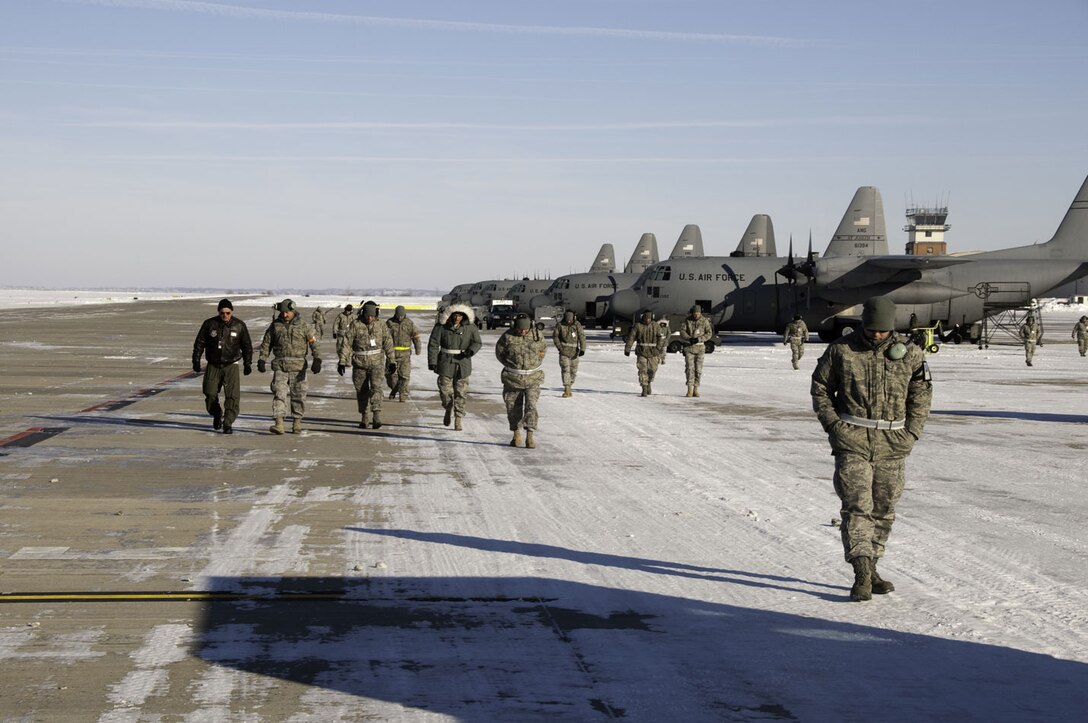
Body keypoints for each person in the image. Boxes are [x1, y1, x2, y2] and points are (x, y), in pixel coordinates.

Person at [811, 296, 933, 602]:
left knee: (884, 509)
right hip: (852, 439)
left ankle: (873, 565)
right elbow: (821, 388)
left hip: (893, 442)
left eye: (882, 330)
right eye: (871, 329)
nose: (876, 335)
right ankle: (861, 573)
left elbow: (921, 394)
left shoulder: (910, 354)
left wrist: (912, 432)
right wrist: (835, 427)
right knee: (856, 507)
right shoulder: (842, 349)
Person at [257, 299, 322, 435]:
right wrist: (262, 359)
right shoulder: (275, 326)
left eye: (287, 312)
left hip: (298, 367)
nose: (285, 315)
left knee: (298, 395)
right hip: (280, 365)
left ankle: (297, 422)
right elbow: (266, 343)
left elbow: (313, 342)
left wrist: (317, 358)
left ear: (293, 311)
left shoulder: (304, 325)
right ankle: (279, 423)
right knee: (279, 394)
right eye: (282, 312)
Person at [191, 298, 253, 434]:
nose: (225, 315)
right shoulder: (209, 324)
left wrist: (248, 363)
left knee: (232, 396)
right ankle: (217, 413)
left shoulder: (239, 325)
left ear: (232, 312)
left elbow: (247, 346)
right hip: (213, 364)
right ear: (218, 312)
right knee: (209, 392)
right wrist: (196, 360)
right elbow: (199, 343)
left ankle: (228, 423)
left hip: (231, 365)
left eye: (228, 313)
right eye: (222, 313)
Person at [338, 302, 395, 429]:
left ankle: (376, 415)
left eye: (372, 316)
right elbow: (346, 343)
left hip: (377, 363)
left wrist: (392, 360)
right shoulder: (355, 325)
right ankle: (364, 416)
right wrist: (342, 361)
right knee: (361, 391)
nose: (369, 318)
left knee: (376, 388)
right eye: (367, 315)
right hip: (359, 363)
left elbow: (388, 342)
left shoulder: (381, 325)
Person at [427, 303, 482, 431]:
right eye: (455, 315)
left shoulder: (471, 328)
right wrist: (432, 361)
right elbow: (433, 344)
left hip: (463, 363)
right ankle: (448, 408)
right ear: (451, 315)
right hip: (445, 362)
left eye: (460, 316)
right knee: (445, 392)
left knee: (461, 393)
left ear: (463, 316)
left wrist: (470, 351)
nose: (457, 318)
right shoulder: (441, 327)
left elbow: (477, 342)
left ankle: (458, 418)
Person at [496, 314, 547, 448]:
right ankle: (516, 434)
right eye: (520, 329)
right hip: (512, 378)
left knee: (531, 406)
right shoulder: (507, 337)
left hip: (533, 378)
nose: (523, 332)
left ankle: (530, 436)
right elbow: (500, 353)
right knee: (513, 408)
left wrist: (535, 362)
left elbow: (543, 350)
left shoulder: (537, 336)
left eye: (525, 329)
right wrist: (512, 365)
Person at [624, 309, 668, 397]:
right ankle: (644, 387)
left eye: (649, 318)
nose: (647, 320)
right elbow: (631, 337)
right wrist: (627, 348)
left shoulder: (656, 326)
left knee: (652, 370)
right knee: (642, 370)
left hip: (653, 352)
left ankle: (648, 382)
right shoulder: (638, 326)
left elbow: (661, 338)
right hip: (642, 352)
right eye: (646, 318)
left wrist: (658, 349)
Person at [385, 305, 422, 401]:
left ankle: (403, 394)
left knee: (404, 375)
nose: (400, 317)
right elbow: (383, 337)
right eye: (398, 315)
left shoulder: (409, 323)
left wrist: (418, 349)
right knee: (390, 376)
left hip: (405, 354)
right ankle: (394, 389)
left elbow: (416, 336)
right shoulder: (389, 323)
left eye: (401, 315)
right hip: (391, 354)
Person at [678, 304, 714, 396]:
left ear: (700, 313)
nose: (696, 315)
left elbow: (709, 333)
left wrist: (699, 339)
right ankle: (689, 389)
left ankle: (696, 389)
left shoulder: (705, 321)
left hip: (700, 348)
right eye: (695, 313)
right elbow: (682, 331)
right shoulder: (688, 320)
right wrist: (689, 338)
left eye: (698, 313)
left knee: (698, 369)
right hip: (689, 348)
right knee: (690, 369)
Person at [552, 309, 586, 397]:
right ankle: (567, 389)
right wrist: (560, 348)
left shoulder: (577, 325)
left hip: (575, 353)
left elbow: (582, 336)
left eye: (570, 320)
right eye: (567, 320)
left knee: (573, 372)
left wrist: (583, 349)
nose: (569, 322)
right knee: (565, 370)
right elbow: (555, 337)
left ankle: (569, 385)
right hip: (564, 352)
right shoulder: (560, 325)